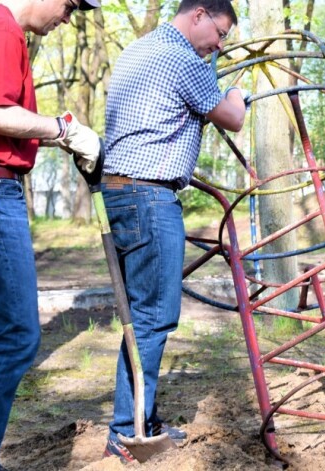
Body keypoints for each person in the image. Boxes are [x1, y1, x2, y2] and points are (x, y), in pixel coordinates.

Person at [101, 0, 246, 462]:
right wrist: (239, 95)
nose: (218, 45)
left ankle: (140, 417)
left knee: (137, 316)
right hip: (150, 197)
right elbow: (233, 118)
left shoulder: (137, 50)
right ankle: (128, 429)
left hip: (119, 193)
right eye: (219, 33)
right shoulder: (185, 57)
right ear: (198, 14)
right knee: (153, 316)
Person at [0, 0, 101, 469]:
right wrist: (63, 130)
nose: (68, 17)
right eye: (71, 5)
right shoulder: (2, 26)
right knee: (16, 333)